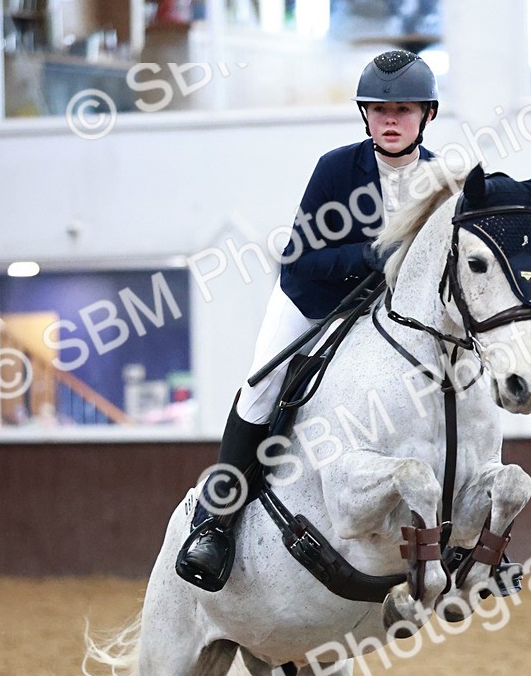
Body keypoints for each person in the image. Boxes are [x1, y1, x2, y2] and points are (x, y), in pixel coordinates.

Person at [175, 50, 439, 591]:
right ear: (364, 114)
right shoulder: (337, 168)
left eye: (404, 110)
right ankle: (214, 524)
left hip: (390, 319)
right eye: (379, 109)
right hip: (314, 300)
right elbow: (299, 260)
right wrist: (369, 257)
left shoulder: (440, 181)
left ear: (427, 115)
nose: (391, 120)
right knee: (261, 383)